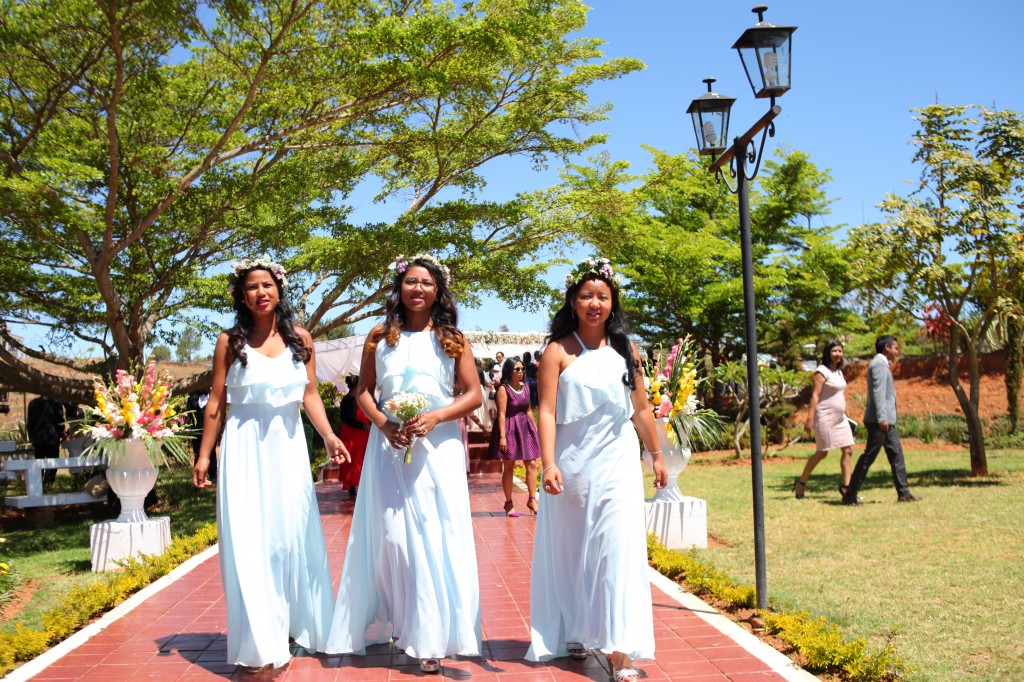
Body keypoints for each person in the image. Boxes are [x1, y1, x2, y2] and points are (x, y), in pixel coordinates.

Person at [326, 254, 483, 674]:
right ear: (399, 287)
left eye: (426, 283)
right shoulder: (380, 336)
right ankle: (401, 620)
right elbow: (363, 391)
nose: (418, 289)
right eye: (410, 281)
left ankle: (428, 638)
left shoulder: (453, 338)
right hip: (389, 449)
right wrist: (383, 423)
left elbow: (474, 394)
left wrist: (436, 416)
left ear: (438, 291)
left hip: (439, 449)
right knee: (395, 541)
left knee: (435, 537)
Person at [192, 257, 349, 672]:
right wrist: (205, 455)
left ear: (279, 290)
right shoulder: (230, 342)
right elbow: (216, 403)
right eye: (251, 287)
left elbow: (311, 395)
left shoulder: (301, 339)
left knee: (285, 541)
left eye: (267, 285)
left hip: (288, 449)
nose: (260, 292)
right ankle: (261, 648)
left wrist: (330, 436)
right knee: (249, 544)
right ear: (241, 296)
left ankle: (291, 622)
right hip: (243, 451)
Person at [527, 257, 668, 682]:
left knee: (616, 552)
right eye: (586, 295)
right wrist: (547, 463)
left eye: (602, 296)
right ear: (573, 300)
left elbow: (641, 409)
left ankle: (618, 652)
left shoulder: (627, 349)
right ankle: (573, 628)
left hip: (618, 463)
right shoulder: (556, 350)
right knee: (572, 550)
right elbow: (546, 411)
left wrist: (656, 454)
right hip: (571, 465)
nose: (594, 303)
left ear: (612, 302)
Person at [842, 335, 921, 505]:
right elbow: (878, 393)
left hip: (886, 421)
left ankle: (904, 493)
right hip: (880, 422)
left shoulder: (883, 364)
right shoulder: (878, 364)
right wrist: (881, 418)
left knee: (896, 455)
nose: (897, 351)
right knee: (868, 457)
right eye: (896, 348)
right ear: (887, 347)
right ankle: (850, 495)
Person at [796, 340, 854, 499]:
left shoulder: (839, 372)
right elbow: (815, 395)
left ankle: (846, 488)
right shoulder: (821, 371)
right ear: (828, 352)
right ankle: (801, 483)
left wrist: (846, 413)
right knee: (822, 453)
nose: (838, 354)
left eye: (840, 351)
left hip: (841, 418)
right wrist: (809, 419)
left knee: (848, 449)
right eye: (834, 351)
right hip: (825, 417)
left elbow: (839, 394)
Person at [488, 356, 541, 516]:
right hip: (509, 428)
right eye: (517, 369)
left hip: (524, 428)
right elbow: (502, 414)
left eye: (522, 369)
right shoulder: (503, 389)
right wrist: (502, 437)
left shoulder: (525, 387)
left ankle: (532, 499)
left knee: (531, 463)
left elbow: (528, 410)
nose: (521, 372)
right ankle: (509, 503)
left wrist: (535, 429)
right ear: (509, 371)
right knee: (509, 466)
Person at [337, 374, 371, 497]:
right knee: (353, 457)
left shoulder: (362, 398)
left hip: (363, 434)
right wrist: (363, 426)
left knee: (362, 457)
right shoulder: (347, 400)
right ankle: (352, 484)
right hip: (352, 434)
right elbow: (346, 418)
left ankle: (362, 483)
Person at [27, 394, 65, 488]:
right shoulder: (56, 403)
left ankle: (38, 486)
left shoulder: (33, 403)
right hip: (52, 439)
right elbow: (60, 421)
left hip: (37, 439)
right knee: (52, 464)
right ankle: (48, 485)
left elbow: (30, 423)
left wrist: (31, 437)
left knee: (38, 463)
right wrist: (60, 433)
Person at [185, 389, 218, 484]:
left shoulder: (213, 394)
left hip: (210, 430)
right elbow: (188, 412)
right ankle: (198, 476)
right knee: (197, 451)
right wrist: (187, 427)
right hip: (196, 429)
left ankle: (213, 474)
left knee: (211, 451)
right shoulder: (192, 396)